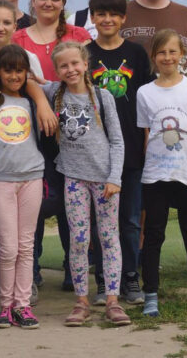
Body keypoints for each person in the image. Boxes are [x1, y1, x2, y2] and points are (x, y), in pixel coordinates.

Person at [44, 42, 129, 327]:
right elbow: (30, 83)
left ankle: (113, 300)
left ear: (85, 64)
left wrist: (114, 178)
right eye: (63, 66)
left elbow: (117, 141)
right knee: (79, 240)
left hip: (104, 181)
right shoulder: (54, 93)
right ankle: (81, 301)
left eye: (74, 63)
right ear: (57, 70)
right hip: (74, 179)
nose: (70, 69)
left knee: (109, 238)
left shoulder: (103, 97)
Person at [137, 29, 187, 317]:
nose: (167, 57)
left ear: (182, 55)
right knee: (153, 235)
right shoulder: (145, 92)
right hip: (155, 177)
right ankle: (150, 295)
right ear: (153, 56)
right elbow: (147, 135)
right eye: (161, 52)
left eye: (172, 52)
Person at [86, 0, 153, 305]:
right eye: (101, 14)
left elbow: (147, 101)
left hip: (132, 148)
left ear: (124, 18)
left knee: (129, 220)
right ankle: (104, 280)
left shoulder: (137, 54)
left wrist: (148, 140)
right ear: (93, 17)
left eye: (114, 14)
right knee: (102, 222)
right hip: (96, 153)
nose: (108, 19)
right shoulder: (85, 54)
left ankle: (130, 277)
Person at [0, 0, 44, 304]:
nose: (0, 27)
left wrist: (41, 102)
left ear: (15, 26)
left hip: (24, 152)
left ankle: (30, 280)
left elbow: (37, 87)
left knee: (27, 229)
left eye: (7, 22)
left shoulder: (28, 57)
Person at [12, 0, 92, 80]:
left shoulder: (79, 36)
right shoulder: (17, 39)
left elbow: (88, 77)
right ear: (33, 1)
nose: (48, 4)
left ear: (63, 4)